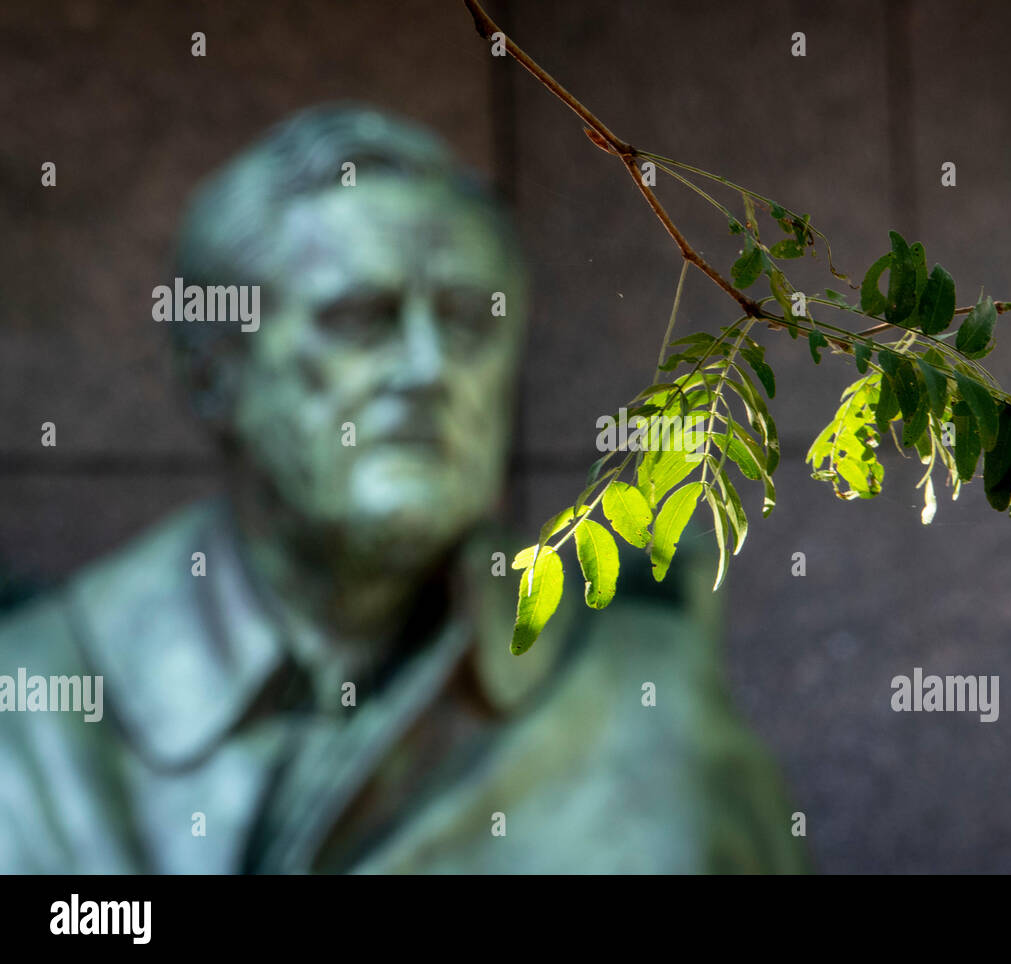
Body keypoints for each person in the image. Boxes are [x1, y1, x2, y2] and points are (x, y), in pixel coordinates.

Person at [0, 104, 807, 873]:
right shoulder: (33, 715)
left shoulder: (641, 701)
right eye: (360, 319)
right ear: (214, 372)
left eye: (468, 325)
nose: (428, 372)